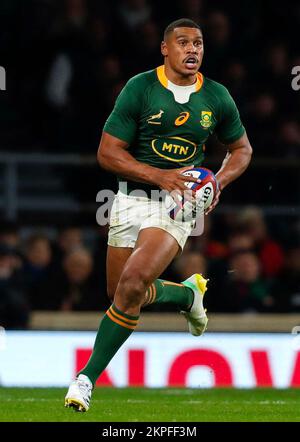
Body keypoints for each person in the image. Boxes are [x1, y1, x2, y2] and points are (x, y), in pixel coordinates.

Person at [65, 18, 252, 411]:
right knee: (122, 295)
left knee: (134, 280)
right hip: (130, 198)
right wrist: (158, 175)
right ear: (165, 49)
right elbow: (107, 153)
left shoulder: (217, 96)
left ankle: (85, 380)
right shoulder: (140, 88)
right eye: (183, 42)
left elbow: (242, 150)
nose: (193, 50)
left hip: (177, 205)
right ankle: (187, 294)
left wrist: (216, 182)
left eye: (198, 43)